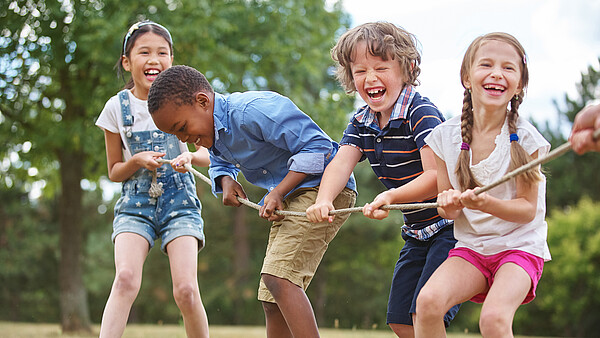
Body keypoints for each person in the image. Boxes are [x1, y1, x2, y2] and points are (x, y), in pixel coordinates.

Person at [147, 64, 357, 338]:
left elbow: (317, 146)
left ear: (202, 101)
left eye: (182, 128)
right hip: (294, 197)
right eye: (177, 135)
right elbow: (220, 159)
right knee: (272, 296)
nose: (184, 139)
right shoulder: (215, 131)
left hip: (325, 189)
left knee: (279, 278)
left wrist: (278, 191)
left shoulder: (252, 110)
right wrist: (225, 181)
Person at [305, 22, 459, 337]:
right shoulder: (362, 121)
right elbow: (340, 163)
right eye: (360, 71)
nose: (370, 78)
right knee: (400, 320)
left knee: (425, 310)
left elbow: (435, 177)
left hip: (451, 228)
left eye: (380, 68)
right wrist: (323, 199)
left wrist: (390, 197)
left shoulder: (421, 113)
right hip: (417, 231)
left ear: (407, 68)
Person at [415, 32, 551, 337]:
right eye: (486, 64)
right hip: (473, 248)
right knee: (428, 303)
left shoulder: (528, 141)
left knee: (492, 319)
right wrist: (447, 205)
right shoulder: (443, 138)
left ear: (520, 83)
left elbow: (527, 210)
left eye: (508, 67)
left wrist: (485, 203)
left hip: (519, 248)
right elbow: (446, 208)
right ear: (466, 77)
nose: (497, 74)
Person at [95, 21, 210, 338]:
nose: (154, 59)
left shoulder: (189, 99)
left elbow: (207, 155)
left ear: (172, 60)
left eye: (162, 52)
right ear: (127, 62)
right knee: (126, 279)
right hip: (136, 203)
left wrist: (189, 156)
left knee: (186, 290)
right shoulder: (115, 109)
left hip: (181, 202)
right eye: (144, 52)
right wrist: (135, 160)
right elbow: (114, 170)